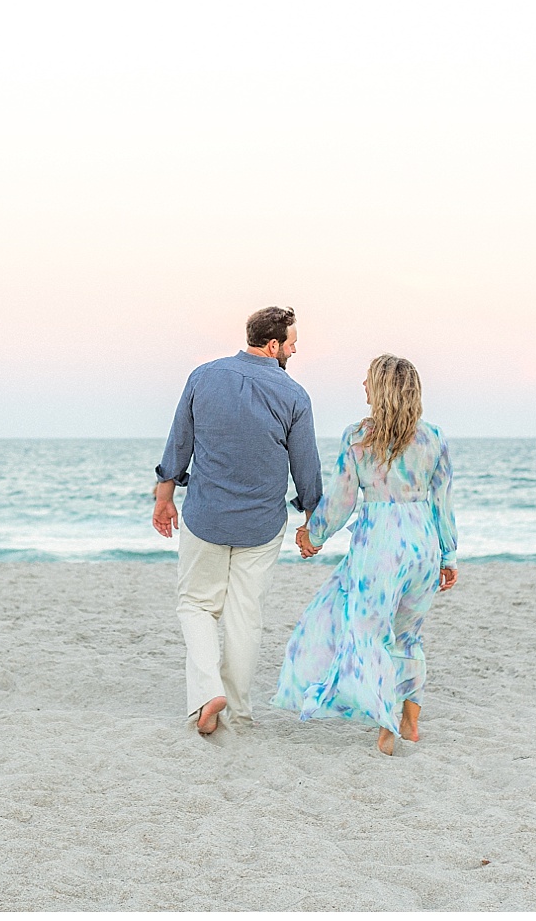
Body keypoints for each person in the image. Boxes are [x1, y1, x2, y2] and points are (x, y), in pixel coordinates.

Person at [271, 354, 458, 755]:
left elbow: (341, 499)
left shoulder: (358, 437)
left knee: (371, 635)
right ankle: (411, 720)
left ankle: (387, 726)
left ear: (383, 389)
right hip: (421, 543)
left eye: (369, 380)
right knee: (408, 635)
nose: (363, 385)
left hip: (379, 546)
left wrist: (313, 534)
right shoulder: (435, 438)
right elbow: (443, 502)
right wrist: (448, 555)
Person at [153, 306, 323, 736]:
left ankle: (209, 694)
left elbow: (180, 441)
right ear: (273, 345)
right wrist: (312, 521)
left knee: (196, 604)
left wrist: (165, 496)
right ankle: (239, 712)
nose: (294, 350)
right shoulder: (294, 395)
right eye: (292, 344)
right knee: (245, 615)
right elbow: (306, 467)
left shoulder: (203, 377)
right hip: (261, 526)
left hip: (206, 516)